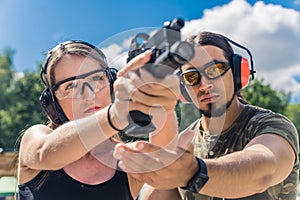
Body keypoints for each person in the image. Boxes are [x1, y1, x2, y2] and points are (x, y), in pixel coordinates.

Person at [113, 31, 299, 199]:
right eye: (192, 77)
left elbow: (263, 169)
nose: (204, 84)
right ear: (183, 90)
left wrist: (193, 172)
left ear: (236, 72)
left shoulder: (271, 126)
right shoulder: (184, 143)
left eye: (215, 70)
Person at [17, 40, 179, 200]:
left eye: (96, 79)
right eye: (71, 86)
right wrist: (114, 115)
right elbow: (45, 154)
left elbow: (163, 169)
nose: (89, 95)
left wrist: (160, 103)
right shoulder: (36, 138)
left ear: (112, 84)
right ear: (53, 105)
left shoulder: (126, 160)